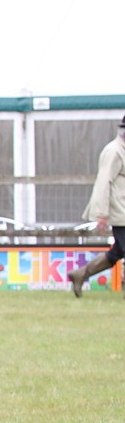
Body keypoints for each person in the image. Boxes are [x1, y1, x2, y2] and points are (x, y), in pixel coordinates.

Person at [69, 115, 125, 297]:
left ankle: (80, 274)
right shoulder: (114, 151)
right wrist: (102, 213)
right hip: (120, 212)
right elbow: (103, 182)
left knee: (118, 251)